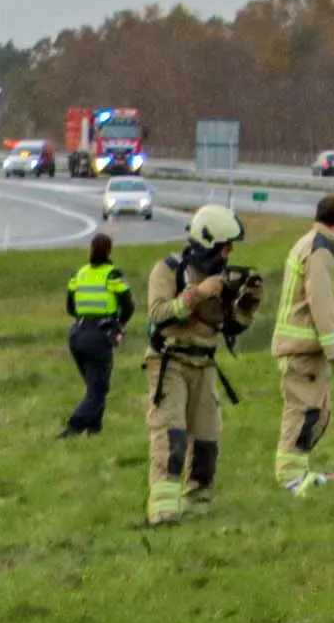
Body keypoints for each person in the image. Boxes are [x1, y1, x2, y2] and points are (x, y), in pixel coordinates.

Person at [143, 205, 263, 525]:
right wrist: (196, 294)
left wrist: (248, 304)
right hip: (172, 361)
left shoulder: (222, 279)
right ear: (207, 242)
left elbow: (230, 326)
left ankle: (198, 503)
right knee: (172, 435)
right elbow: (158, 313)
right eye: (225, 246)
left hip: (205, 364)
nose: (229, 254)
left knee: (208, 438)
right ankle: (163, 508)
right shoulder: (168, 270)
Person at [272, 194, 334, 493]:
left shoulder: (318, 245)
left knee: (317, 414)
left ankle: (299, 472)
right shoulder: (320, 250)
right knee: (303, 413)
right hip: (301, 349)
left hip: (307, 349)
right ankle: (290, 479)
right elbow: (321, 301)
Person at [59, 231, 136, 437]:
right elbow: (128, 306)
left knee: (94, 386)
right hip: (99, 335)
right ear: (109, 250)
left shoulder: (80, 273)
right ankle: (74, 427)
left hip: (77, 334)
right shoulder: (112, 275)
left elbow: (70, 306)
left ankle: (95, 428)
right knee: (98, 389)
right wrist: (118, 324)